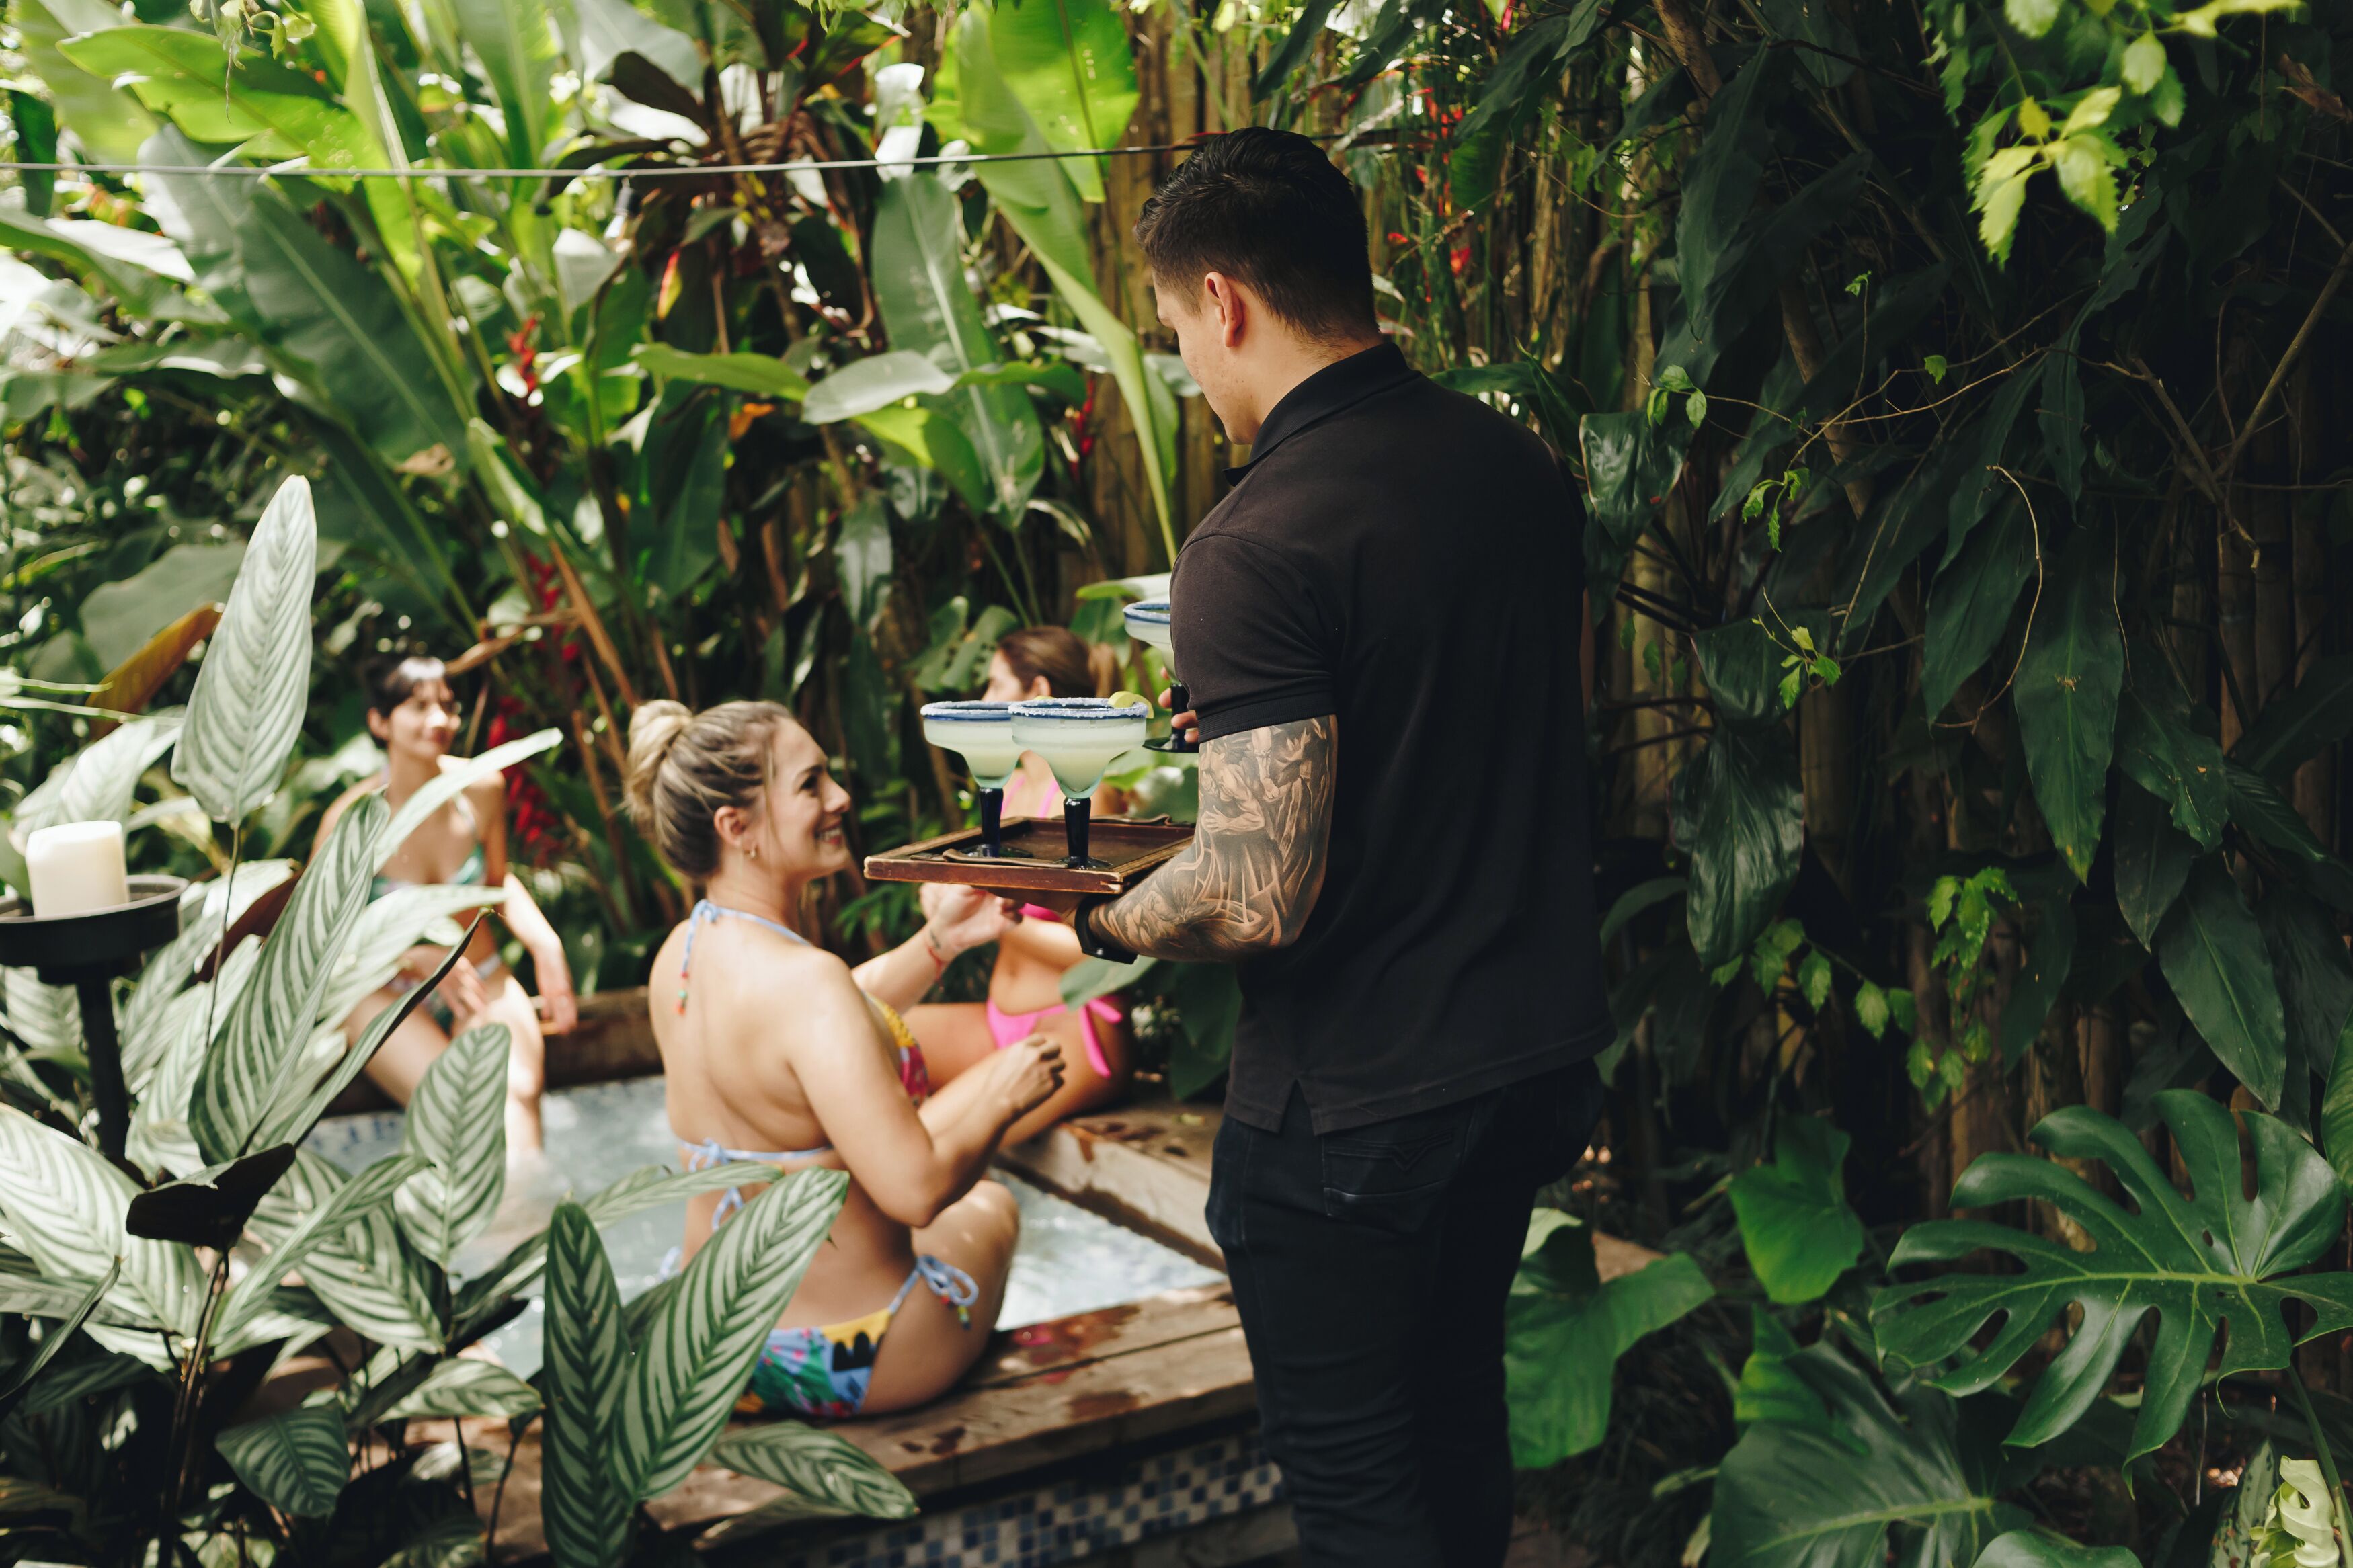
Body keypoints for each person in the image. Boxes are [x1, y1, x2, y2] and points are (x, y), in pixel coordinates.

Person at [1056, 128, 1613, 1567]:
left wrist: (1104, 914)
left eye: (1179, 329)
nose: (1188, 361)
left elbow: (1252, 888)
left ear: (1225, 300)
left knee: (1363, 1490)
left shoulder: (1252, 542)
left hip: (1355, 1107)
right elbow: (1495, 729)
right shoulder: (1516, 470)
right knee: (1454, 1429)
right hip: (1522, 1057)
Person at [625, 699, 1066, 1419]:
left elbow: (806, 1028)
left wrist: (939, 944)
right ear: (737, 829)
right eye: (809, 784)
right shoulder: (808, 984)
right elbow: (916, 1190)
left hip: (712, 1345)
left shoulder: (683, 951)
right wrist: (1003, 1092)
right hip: (845, 1355)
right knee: (990, 1203)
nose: (839, 798)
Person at [319, 655, 577, 1158]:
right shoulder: (347, 822)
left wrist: (544, 943)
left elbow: (497, 885)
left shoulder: (481, 789)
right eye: (418, 707)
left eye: (447, 706)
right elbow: (319, 946)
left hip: (479, 975)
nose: (439, 720)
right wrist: (411, 957)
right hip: (384, 992)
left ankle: (528, 1226)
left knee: (519, 1094)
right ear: (379, 721)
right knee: (458, 1112)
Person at [904, 627, 1135, 1144]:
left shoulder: (1086, 793)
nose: (983, 702)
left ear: (1038, 694)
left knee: (922, 1148)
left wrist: (988, 923)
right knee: (865, 1036)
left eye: (993, 686)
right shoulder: (1008, 790)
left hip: (1073, 1033)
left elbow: (1108, 957)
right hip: (998, 1024)